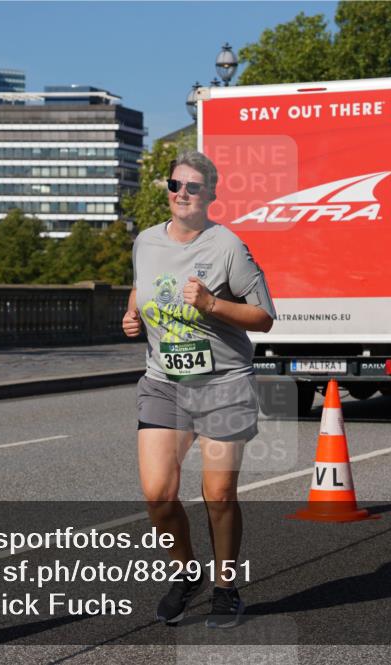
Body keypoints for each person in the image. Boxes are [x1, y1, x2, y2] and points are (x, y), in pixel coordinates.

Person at [123, 151, 275, 629]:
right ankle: (188, 574)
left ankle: (226, 587)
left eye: (192, 187)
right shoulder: (145, 242)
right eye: (174, 185)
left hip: (223, 384)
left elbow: (264, 316)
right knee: (158, 495)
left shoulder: (228, 246)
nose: (181, 193)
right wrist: (131, 314)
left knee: (219, 492)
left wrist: (211, 304)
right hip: (164, 383)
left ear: (210, 195)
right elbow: (142, 287)